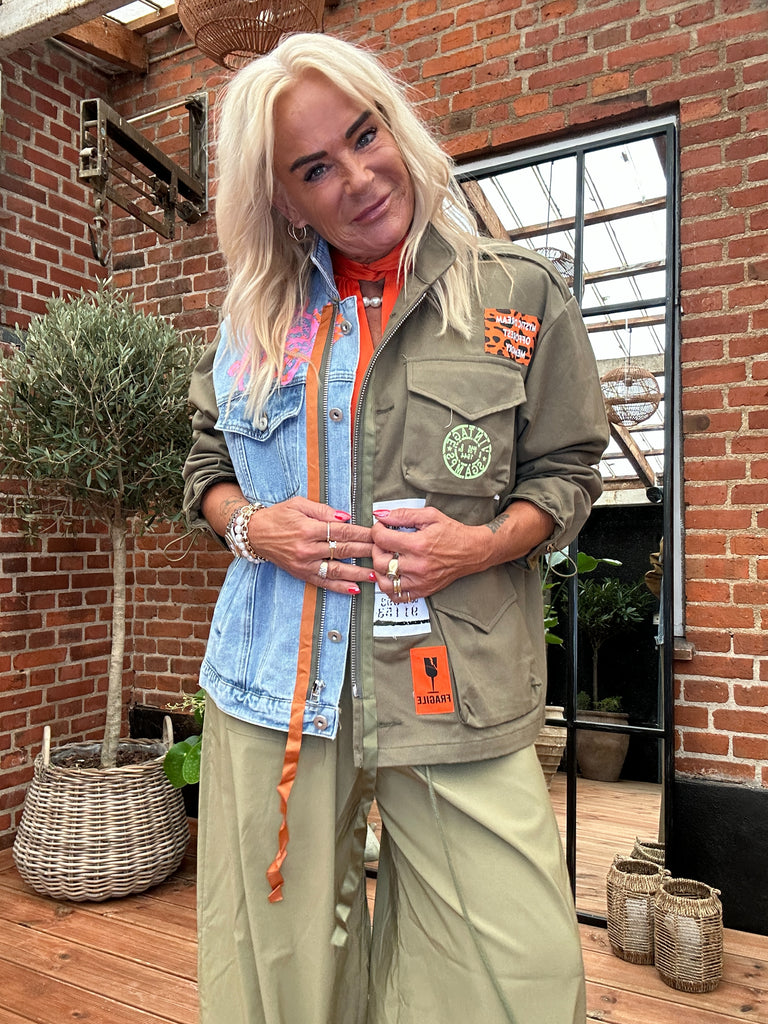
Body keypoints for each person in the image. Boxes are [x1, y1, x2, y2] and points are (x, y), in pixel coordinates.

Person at [182, 32, 609, 1024]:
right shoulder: (251, 323)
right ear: (284, 198)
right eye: (314, 168)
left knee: (518, 975)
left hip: (453, 684)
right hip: (278, 686)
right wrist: (254, 528)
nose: (359, 177)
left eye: (365, 135)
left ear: (395, 125)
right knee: (279, 978)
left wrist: (480, 545)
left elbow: (568, 471)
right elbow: (207, 470)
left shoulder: (516, 291)